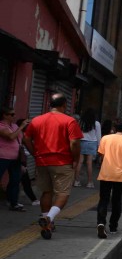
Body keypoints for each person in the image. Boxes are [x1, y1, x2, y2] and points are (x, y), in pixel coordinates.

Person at [22, 94, 83, 240]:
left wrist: (34, 153)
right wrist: (75, 159)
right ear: (64, 105)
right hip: (62, 162)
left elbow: (25, 138)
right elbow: (74, 143)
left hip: (42, 162)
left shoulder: (37, 120)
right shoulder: (70, 121)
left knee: (46, 192)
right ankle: (49, 218)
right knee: (63, 194)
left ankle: (47, 224)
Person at [95, 120, 122, 238]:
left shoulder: (105, 138)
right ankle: (113, 226)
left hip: (106, 173)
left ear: (115, 128)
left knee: (103, 199)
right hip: (120, 175)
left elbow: (102, 156)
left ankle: (100, 223)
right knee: (116, 200)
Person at [0, 108, 28, 211]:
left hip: (15, 158)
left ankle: (13, 202)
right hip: (3, 157)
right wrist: (21, 127)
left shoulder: (15, 126)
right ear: (5, 115)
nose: (14, 116)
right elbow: (11, 136)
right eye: (11, 114)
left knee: (15, 180)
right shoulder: (1, 126)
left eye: (14, 114)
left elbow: (21, 140)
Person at [75, 108, 101, 188]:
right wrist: (99, 146)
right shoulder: (96, 123)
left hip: (82, 141)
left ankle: (76, 181)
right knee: (89, 163)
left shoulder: (80, 122)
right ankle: (89, 182)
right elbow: (98, 135)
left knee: (79, 162)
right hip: (92, 143)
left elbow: (77, 133)